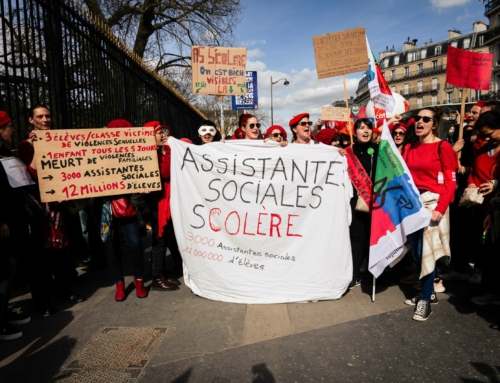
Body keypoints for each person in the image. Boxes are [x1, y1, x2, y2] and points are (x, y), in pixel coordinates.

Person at [18, 105, 85, 315]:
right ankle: (43, 300)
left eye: (48, 115)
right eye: (40, 117)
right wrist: (39, 146)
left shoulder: (59, 140)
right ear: (31, 120)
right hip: (39, 208)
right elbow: (33, 174)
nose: (45, 119)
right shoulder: (26, 146)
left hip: (58, 206)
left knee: (60, 251)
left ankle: (63, 290)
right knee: (41, 256)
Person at [403, 107, 457, 321]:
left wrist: (440, 209)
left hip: (434, 204)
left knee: (426, 251)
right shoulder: (408, 147)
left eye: (426, 119)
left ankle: (425, 299)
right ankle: (430, 292)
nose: (419, 122)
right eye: (417, 118)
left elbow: (451, 182)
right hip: (412, 205)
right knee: (416, 253)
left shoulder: (443, 147)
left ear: (434, 124)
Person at [103, 119, 148, 301]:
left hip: (130, 204)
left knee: (135, 244)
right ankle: (119, 284)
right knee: (111, 246)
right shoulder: (100, 153)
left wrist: (146, 183)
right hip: (106, 205)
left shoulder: (136, 153)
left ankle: (139, 282)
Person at [0, 111, 31, 340]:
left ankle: (4, 311)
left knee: (9, 271)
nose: (12, 129)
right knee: (3, 272)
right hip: (4, 222)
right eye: (8, 126)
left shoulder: (5, 151)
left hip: (14, 218)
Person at [465, 111, 500, 291]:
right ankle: (483, 277)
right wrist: (471, 183)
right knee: (480, 243)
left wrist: (496, 184)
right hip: (479, 205)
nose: (485, 139)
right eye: (483, 135)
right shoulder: (481, 149)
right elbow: (473, 171)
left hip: (495, 209)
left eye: (489, 134)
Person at [145, 121, 180, 291]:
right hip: (156, 201)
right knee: (159, 240)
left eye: (165, 132)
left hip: (162, 199)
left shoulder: (160, 150)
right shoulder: (150, 154)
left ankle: (160, 273)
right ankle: (156, 278)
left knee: (163, 238)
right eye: (160, 133)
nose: (163, 136)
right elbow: (166, 173)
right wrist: (167, 151)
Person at [344, 119, 378, 289]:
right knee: (356, 238)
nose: (365, 131)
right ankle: (355, 274)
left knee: (372, 238)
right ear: (355, 132)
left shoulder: (379, 150)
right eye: (361, 128)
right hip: (355, 201)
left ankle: (374, 274)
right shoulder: (348, 152)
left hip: (376, 202)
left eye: (368, 128)